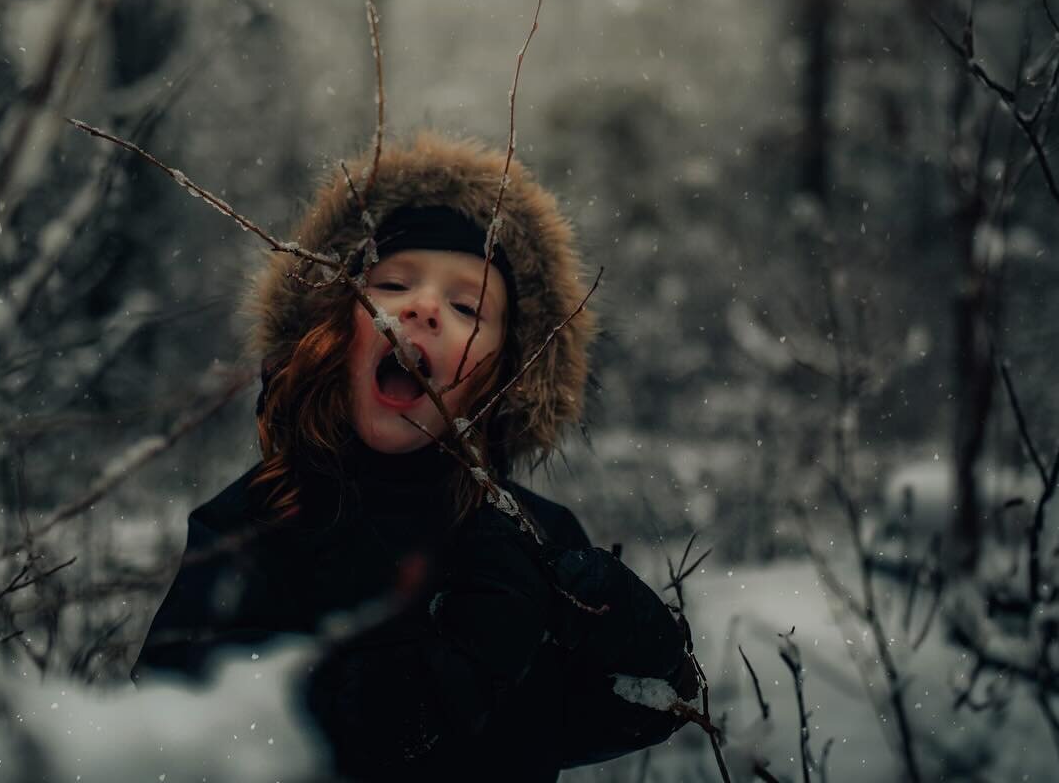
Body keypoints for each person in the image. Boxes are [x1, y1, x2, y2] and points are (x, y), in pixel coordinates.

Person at [135, 133, 698, 781]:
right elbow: (186, 729)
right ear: (334, 336)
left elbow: (618, 714)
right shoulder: (256, 520)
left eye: (467, 306)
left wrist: (642, 645)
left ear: (505, 375)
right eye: (393, 283)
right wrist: (447, 674)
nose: (424, 307)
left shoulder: (528, 538)